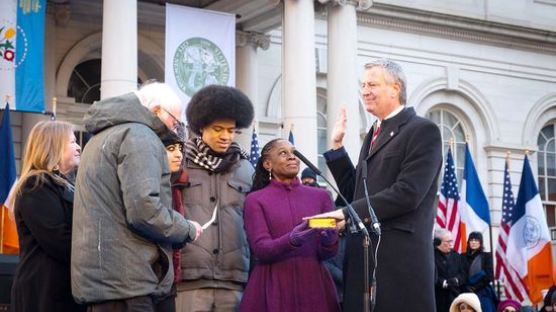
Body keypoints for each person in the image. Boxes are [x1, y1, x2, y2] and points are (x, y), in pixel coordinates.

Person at [308, 58, 443, 311]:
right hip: (363, 260)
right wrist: (337, 148)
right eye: (363, 85)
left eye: (372, 84)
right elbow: (356, 194)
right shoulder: (374, 133)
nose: (365, 91)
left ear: (395, 88)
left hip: (398, 262)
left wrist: (346, 214)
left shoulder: (422, 130)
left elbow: (408, 193)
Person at [71, 82, 202, 311]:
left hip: (103, 282)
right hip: (128, 284)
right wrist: (187, 228)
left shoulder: (99, 138)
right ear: (156, 110)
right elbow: (145, 210)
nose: (175, 128)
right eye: (174, 120)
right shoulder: (139, 135)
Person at [176, 85, 255, 312]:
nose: (225, 136)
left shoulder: (246, 169)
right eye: (218, 129)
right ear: (201, 126)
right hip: (190, 278)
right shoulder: (179, 164)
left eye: (231, 130)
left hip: (235, 277)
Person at [239, 138, 340, 312]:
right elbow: (261, 249)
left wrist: (330, 240)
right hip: (273, 285)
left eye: (294, 153)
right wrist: (291, 240)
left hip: (314, 287)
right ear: (268, 164)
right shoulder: (255, 200)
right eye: (283, 153)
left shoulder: (322, 196)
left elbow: (327, 254)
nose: (292, 157)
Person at [9, 120, 84, 312]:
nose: (78, 147)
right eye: (72, 141)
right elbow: (58, 239)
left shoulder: (64, 184)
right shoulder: (36, 185)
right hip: (44, 292)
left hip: (60, 289)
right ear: (53, 146)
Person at [155, 130, 188, 312]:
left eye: (180, 148)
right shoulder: (149, 185)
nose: (179, 154)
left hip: (169, 280)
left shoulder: (178, 185)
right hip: (150, 278)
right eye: (171, 148)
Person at [463, 232, 498, 312]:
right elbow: (462, 273)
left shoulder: (486, 256)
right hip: (466, 290)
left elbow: (489, 275)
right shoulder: (463, 256)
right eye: (471, 240)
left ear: (480, 242)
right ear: (468, 242)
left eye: (476, 240)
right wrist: (467, 287)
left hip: (483, 290)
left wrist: (475, 288)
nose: (474, 242)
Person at [435, 229, 466, 312]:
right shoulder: (431, 256)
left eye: (451, 241)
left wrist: (456, 280)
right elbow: (429, 276)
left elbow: (463, 274)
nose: (451, 245)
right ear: (438, 242)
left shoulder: (456, 256)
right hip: (438, 298)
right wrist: (444, 283)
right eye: (448, 242)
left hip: (455, 297)